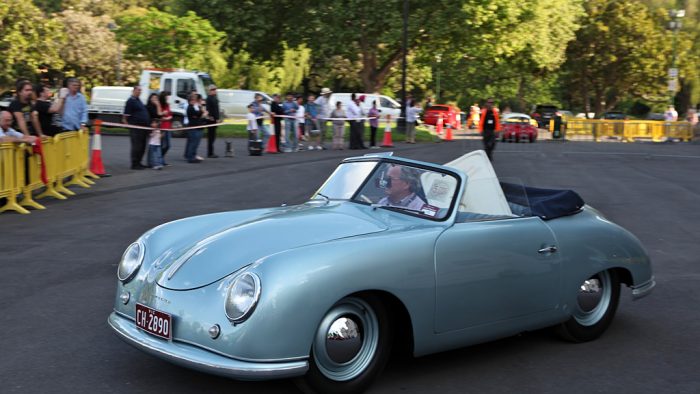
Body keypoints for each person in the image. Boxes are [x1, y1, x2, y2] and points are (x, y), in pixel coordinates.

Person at [123, 86, 151, 169]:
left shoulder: (138, 101)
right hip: (136, 127)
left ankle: (139, 162)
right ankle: (134, 164)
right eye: (138, 90)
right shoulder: (130, 101)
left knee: (142, 146)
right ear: (134, 90)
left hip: (143, 127)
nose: (140, 92)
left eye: (140, 91)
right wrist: (129, 126)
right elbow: (125, 117)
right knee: (137, 146)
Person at [185, 93, 207, 163]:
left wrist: (200, 110)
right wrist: (201, 109)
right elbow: (197, 114)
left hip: (195, 127)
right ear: (190, 100)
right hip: (193, 128)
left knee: (194, 143)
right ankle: (191, 158)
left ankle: (192, 156)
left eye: (195, 99)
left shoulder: (192, 107)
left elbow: (198, 114)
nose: (195, 101)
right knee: (193, 143)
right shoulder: (190, 108)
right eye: (193, 100)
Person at [205, 84, 220, 158]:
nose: (215, 91)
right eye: (213, 90)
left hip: (215, 119)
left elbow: (216, 109)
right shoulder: (208, 98)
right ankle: (210, 153)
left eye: (215, 89)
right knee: (211, 137)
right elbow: (208, 109)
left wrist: (218, 118)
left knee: (213, 136)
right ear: (210, 91)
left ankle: (211, 152)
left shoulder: (215, 98)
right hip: (211, 120)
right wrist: (210, 116)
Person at [158, 91, 173, 165]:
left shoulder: (167, 105)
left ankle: (161, 158)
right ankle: (160, 160)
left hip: (168, 127)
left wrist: (168, 117)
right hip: (162, 128)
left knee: (168, 145)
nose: (168, 97)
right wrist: (167, 118)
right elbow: (160, 117)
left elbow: (170, 115)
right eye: (166, 96)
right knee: (162, 145)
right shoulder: (160, 105)